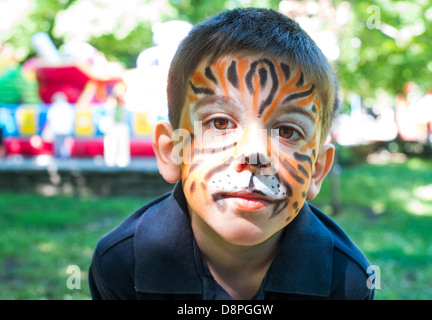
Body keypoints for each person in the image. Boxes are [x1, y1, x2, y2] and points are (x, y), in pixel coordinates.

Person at [89, 8, 375, 300]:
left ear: (316, 171)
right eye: (220, 123)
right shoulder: (121, 264)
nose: (254, 154)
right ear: (171, 151)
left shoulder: (346, 280)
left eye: (287, 131)